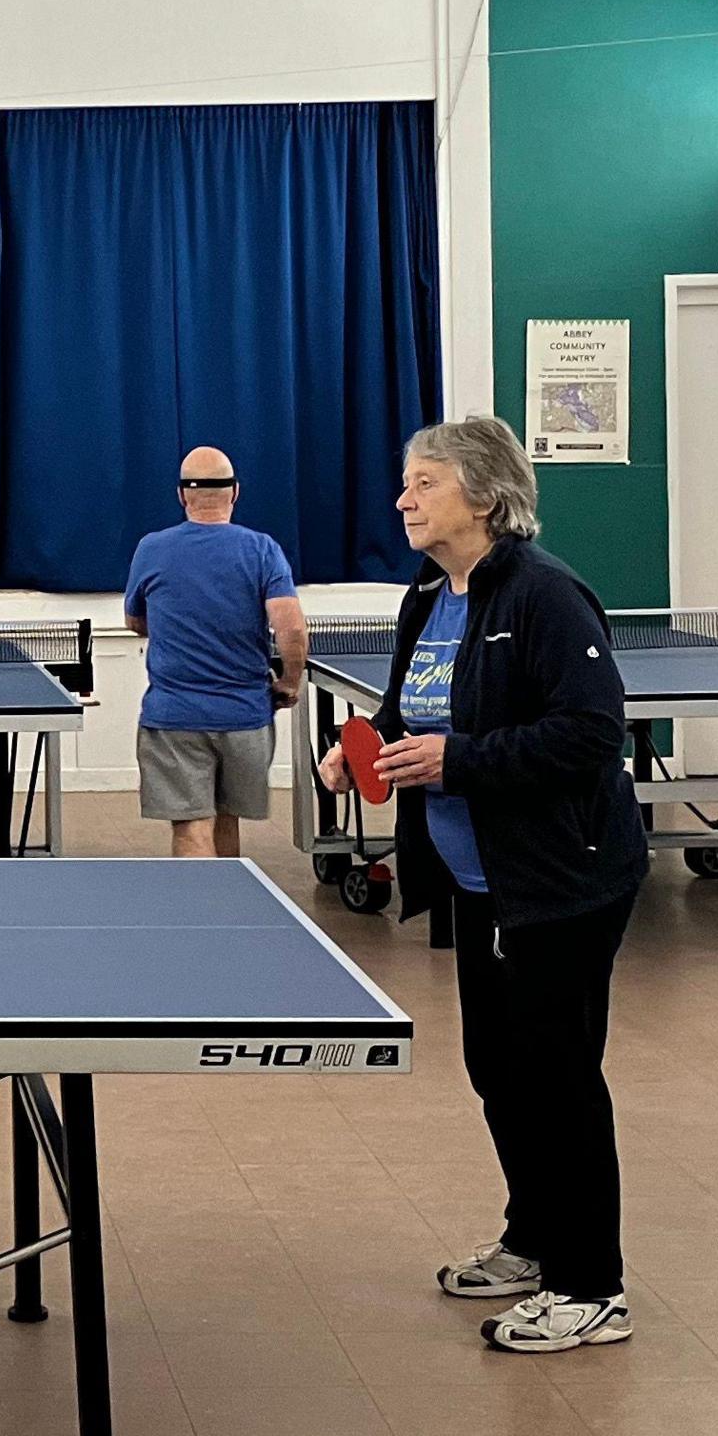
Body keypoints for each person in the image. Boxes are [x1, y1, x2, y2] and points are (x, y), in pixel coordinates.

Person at [317, 417, 646, 1354]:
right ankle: (536, 1240)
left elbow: (590, 735)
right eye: (406, 483)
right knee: (499, 1072)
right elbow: (403, 715)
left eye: (424, 483)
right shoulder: (429, 599)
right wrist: (363, 759)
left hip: (563, 882)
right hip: (477, 879)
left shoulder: (548, 597)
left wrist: (457, 763)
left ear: (485, 498)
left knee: (559, 1080)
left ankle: (594, 1286)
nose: (403, 499)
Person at [123, 447, 307, 857]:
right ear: (235, 493)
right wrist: (290, 682)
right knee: (227, 821)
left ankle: (202, 919)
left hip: (175, 720)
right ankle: (230, 914)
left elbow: (135, 621)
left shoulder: (152, 548)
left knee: (192, 828)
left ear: (181, 495)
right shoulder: (262, 549)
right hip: (245, 718)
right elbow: (290, 625)